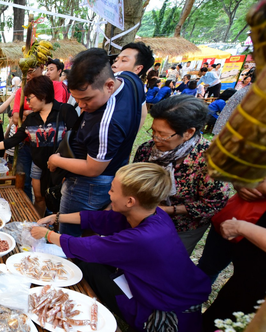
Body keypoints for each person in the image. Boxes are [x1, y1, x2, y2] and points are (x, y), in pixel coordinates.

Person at [31, 163, 210, 332]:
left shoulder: (143, 238)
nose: (108, 194)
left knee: (89, 266)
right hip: (161, 289)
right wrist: (57, 218)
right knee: (90, 264)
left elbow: (91, 248)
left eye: (112, 190)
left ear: (130, 201)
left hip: (164, 313)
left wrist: (48, 235)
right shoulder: (153, 213)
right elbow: (101, 219)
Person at [49, 48, 144, 236]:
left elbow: (94, 169)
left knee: (72, 234)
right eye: (77, 99)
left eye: (87, 99)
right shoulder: (129, 78)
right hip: (107, 174)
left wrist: (55, 160)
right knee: (91, 230)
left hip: (89, 185)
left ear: (109, 85)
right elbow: (142, 112)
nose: (82, 106)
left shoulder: (108, 122)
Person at [133, 95, 230, 254]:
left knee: (164, 264)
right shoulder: (147, 150)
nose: (155, 138)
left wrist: (169, 210)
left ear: (188, 132)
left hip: (181, 228)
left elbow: (214, 204)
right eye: (153, 131)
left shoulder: (211, 161)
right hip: (142, 218)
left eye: (162, 134)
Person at [0, 76, 78, 216]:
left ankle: (57, 229)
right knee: (40, 198)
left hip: (62, 169)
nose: (28, 103)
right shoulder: (31, 119)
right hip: (39, 166)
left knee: (60, 202)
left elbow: (76, 141)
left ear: (42, 95)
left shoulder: (65, 111)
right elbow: (14, 140)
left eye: (30, 98)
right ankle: (39, 225)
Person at [202, 206, 266, 332]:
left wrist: (241, 227)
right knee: (230, 300)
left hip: (256, 284)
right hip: (246, 275)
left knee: (238, 310)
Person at [12, 63, 44, 203]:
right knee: (24, 180)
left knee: (41, 187)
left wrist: (25, 113)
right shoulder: (21, 91)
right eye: (27, 72)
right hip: (25, 143)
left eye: (32, 70)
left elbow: (48, 115)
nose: (29, 75)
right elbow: (15, 118)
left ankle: (47, 216)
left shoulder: (51, 87)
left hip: (44, 147)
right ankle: (26, 207)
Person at [110, 42, 154, 131]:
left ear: (138, 69)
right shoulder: (139, 91)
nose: (114, 65)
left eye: (124, 60)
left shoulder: (119, 85)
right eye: (116, 60)